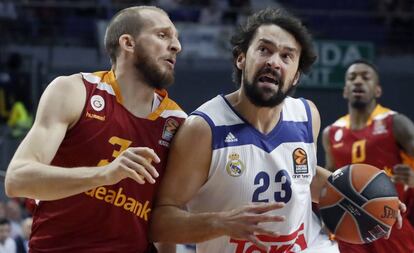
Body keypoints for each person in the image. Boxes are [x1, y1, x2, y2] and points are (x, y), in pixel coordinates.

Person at [150, 8, 341, 253]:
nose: (273, 62)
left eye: (286, 56)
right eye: (264, 50)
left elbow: (304, 178)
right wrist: (220, 223)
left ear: (295, 77)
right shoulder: (204, 128)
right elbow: (160, 221)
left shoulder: (306, 115)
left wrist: (367, 197)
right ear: (241, 58)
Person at [4, 5, 186, 253]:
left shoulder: (177, 122)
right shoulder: (74, 91)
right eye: (163, 35)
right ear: (128, 43)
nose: (176, 46)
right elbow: (17, 179)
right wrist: (104, 175)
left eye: (176, 38)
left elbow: (166, 213)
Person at [322, 59, 414, 253]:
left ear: (377, 90)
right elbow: (328, 182)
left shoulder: (395, 123)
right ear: (345, 90)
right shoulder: (331, 133)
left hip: (390, 223)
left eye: (365, 77)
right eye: (352, 77)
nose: (358, 81)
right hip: (349, 227)